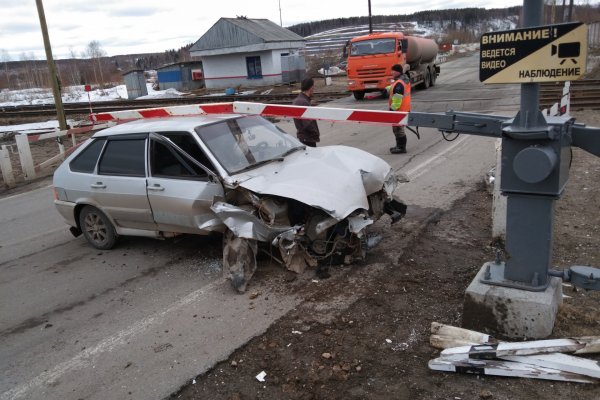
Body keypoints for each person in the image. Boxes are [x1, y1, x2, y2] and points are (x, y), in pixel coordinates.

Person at [387, 63, 411, 154]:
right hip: (403, 110)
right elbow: (394, 88)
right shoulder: (401, 81)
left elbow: (397, 99)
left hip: (399, 111)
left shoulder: (399, 83)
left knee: (398, 130)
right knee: (397, 129)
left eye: (393, 70)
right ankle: (398, 146)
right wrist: (387, 89)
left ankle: (401, 148)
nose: (391, 72)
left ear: (397, 72)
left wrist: (392, 110)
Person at [293, 77, 320, 147]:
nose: (314, 89)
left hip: (304, 138)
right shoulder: (303, 102)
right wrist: (315, 133)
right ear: (311, 88)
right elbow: (307, 124)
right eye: (313, 87)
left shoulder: (299, 100)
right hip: (308, 138)